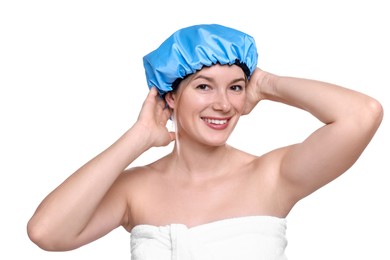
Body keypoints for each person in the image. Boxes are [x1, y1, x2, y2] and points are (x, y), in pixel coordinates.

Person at [27, 24, 383, 259]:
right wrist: (138, 137)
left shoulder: (271, 176)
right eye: (203, 86)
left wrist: (266, 84)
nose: (223, 104)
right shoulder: (135, 189)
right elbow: (46, 232)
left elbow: (362, 114)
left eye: (235, 88)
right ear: (170, 97)